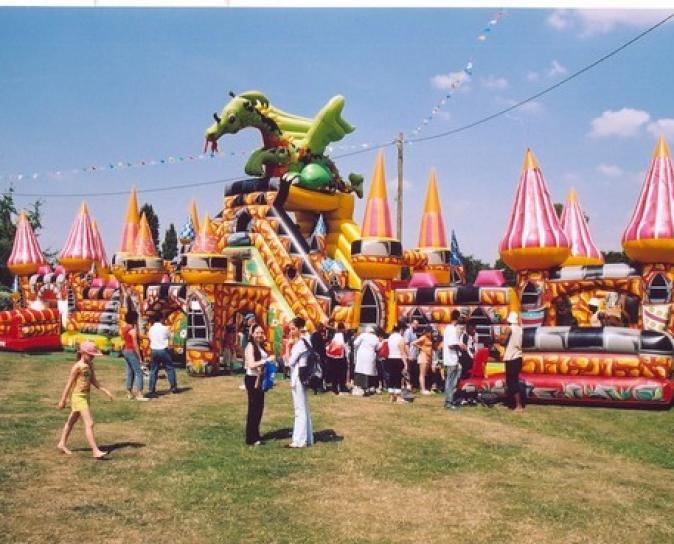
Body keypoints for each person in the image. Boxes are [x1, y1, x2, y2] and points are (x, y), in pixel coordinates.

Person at [57, 340, 113, 458]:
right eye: (91, 355)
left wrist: (105, 390)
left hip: (86, 396)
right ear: (83, 353)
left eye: (93, 356)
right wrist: (63, 399)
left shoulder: (90, 365)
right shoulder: (77, 367)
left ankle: (61, 443)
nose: (93, 357)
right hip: (78, 397)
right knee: (90, 423)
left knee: (71, 420)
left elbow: (94, 381)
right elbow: (69, 384)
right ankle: (95, 451)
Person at [286, 317, 314, 448]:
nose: (291, 332)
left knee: (299, 409)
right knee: (303, 408)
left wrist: (287, 346)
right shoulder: (306, 340)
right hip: (301, 377)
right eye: (290, 329)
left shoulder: (301, 343)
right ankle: (307, 437)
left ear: (299, 328)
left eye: (293, 329)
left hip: (298, 377)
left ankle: (299, 440)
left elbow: (290, 362)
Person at [244, 324, 272, 446]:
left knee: (259, 408)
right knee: (254, 408)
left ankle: (255, 433)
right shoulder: (250, 346)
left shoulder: (260, 346)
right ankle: (251, 437)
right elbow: (251, 364)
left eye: (261, 332)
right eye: (257, 332)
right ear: (252, 334)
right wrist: (266, 361)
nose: (259, 335)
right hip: (252, 379)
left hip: (260, 379)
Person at [147, 314, 179, 397]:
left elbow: (150, 338)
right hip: (164, 350)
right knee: (169, 368)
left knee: (154, 370)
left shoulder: (151, 329)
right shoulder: (165, 328)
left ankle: (151, 389)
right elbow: (170, 338)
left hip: (154, 351)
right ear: (161, 319)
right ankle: (173, 387)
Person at [121, 310, 148, 401]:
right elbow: (135, 344)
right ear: (134, 319)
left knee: (130, 372)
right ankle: (139, 393)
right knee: (139, 372)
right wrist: (140, 358)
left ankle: (129, 392)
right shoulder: (132, 330)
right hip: (131, 351)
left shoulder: (124, 328)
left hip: (125, 351)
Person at [442, 310, 465, 410]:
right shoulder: (452, 329)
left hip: (448, 358)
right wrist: (460, 346)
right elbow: (451, 345)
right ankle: (449, 401)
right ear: (458, 318)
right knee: (451, 382)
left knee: (450, 380)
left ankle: (449, 400)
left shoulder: (447, 328)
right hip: (452, 359)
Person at [503, 311, 525, 412]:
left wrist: (496, 339)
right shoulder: (520, 329)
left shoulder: (509, 328)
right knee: (513, 381)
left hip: (511, 357)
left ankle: (518, 405)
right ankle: (512, 404)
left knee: (512, 382)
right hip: (518, 357)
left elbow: (503, 341)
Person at [353, 326, 381, 396]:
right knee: (370, 372)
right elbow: (378, 348)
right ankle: (369, 387)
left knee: (361, 371)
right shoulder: (376, 338)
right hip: (370, 356)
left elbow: (355, 343)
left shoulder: (363, 335)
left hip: (361, 356)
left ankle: (360, 387)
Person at [385, 322, 408, 403]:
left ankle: (391, 396)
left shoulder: (390, 337)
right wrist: (405, 364)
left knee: (391, 377)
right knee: (398, 378)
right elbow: (402, 352)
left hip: (390, 358)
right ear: (401, 330)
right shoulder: (400, 338)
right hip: (398, 359)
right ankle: (398, 397)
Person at [326, 322, 348, 395]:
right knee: (342, 373)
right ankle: (342, 387)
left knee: (334, 373)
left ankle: (334, 388)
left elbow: (328, 344)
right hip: (341, 357)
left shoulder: (332, 334)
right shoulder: (344, 335)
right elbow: (346, 346)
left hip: (332, 357)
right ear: (342, 328)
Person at [412, 328, 434, 395]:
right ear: (427, 332)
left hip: (429, 357)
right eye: (430, 332)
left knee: (425, 373)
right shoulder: (423, 337)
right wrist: (421, 348)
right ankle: (423, 389)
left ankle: (425, 388)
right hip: (423, 356)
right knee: (422, 374)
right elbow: (413, 343)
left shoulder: (430, 338)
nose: (431, 334)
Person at [310, 322, 328, 394]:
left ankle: (314, 386)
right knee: (321, 371)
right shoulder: (317, 335)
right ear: (319, 327)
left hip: (314, 355)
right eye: (322, 327)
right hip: (319, 355)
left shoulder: (313, 335)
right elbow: (320, 346)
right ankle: (319, 386)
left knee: (315, 371)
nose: (323, 329)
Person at [403, 319, 421, 390]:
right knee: (407, 370)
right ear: (411, 324)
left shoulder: (414, 333)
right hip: (409, 355)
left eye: (418, 324)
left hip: (414, 355)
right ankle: (407, 385)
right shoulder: (408, 332)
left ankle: (411, 385)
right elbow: (406, 344)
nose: (417, 325)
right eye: (415, 324)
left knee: (411, 371)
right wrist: (409, 355)